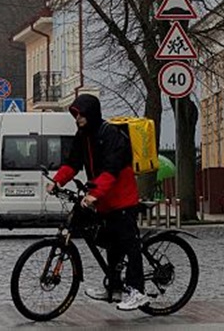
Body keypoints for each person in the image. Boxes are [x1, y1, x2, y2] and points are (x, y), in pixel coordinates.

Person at [46, 93, 149, 312]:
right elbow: (72, 163)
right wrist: (57, 182)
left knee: (130, 244)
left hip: (122, 198)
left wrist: (94, 194)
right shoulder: (82, 136)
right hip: (104, 200)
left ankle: (137, 291)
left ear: (91, 113)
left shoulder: (112, 135)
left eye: (81, 115)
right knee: (111, 243)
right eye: (75, 115)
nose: (78, 119)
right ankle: (115, 286)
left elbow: (112, 169)